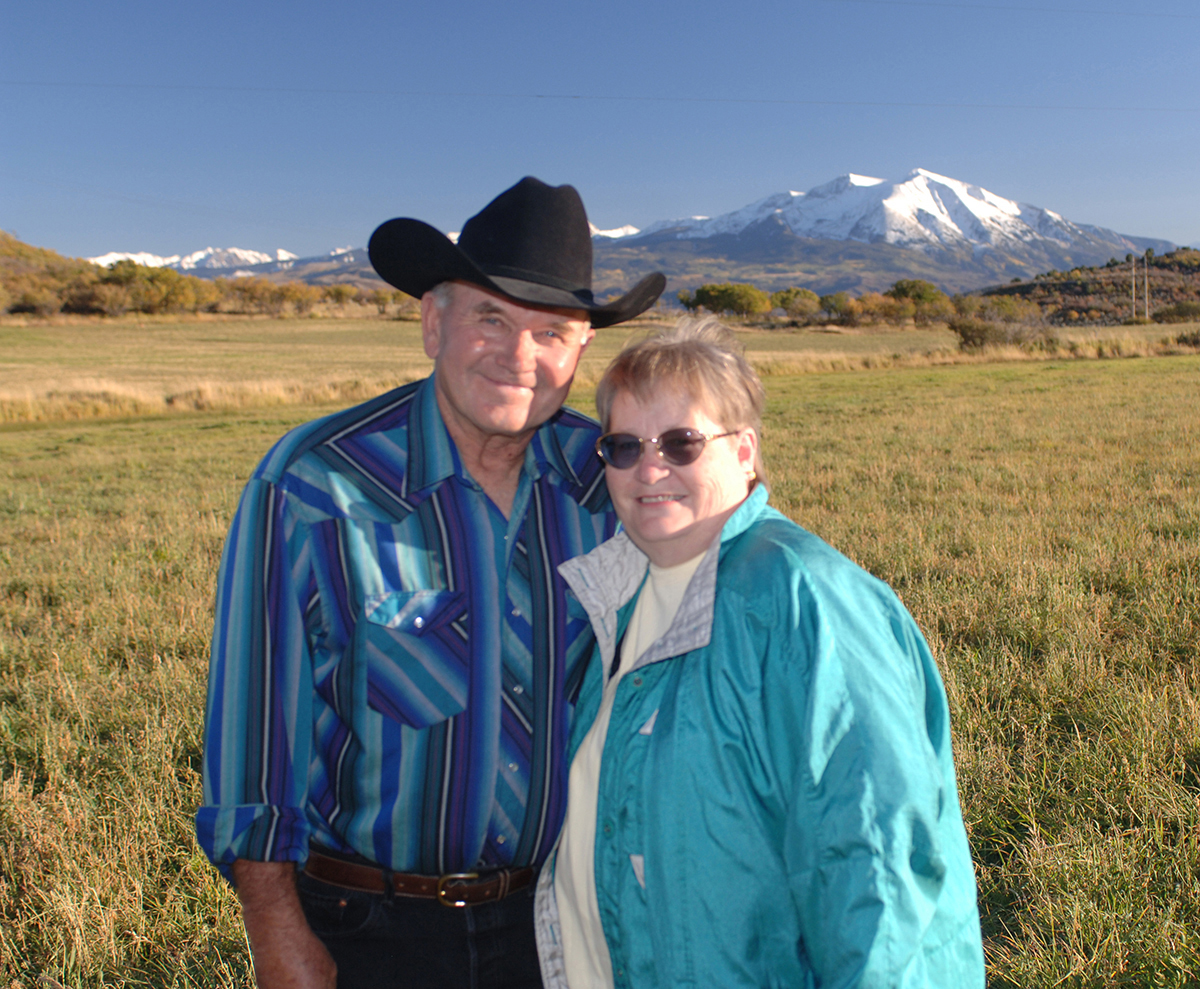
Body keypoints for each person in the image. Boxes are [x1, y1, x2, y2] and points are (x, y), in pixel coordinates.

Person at [195, 176, 665, 989]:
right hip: (373, 930)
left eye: (552, 331)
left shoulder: (608, 481)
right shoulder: (314, 485)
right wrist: (276, 933)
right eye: (491, 318)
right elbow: (252, 738)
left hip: (563, 918)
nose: (520, 356)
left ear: (582, 352)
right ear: (431, 322)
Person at [534, 319, 986, 988]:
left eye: (682, 443)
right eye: (624, 446)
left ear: (745, 451)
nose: (649, 468)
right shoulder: (619, 591)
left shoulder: (806, 601)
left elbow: (875, 864)